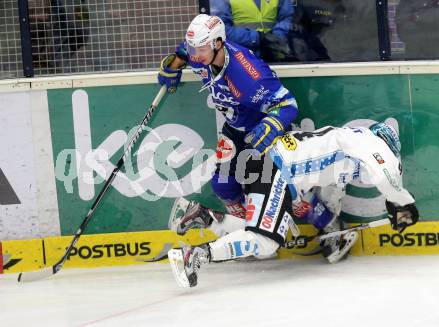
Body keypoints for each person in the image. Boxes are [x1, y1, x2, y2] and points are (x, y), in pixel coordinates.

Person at [168, 122, 419, 287]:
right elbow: (385, 175)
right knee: (265, 242)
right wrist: (404, 204)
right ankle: (196, 254)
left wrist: (312, 210)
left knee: (260, 230)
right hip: (278, 170)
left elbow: (332, 189)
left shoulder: (346, 147)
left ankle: (205, 217)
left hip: (267, 164)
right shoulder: (371, 143)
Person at [158, 14, 299, 220]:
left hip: (263, 132)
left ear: (218, 43)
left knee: (291, 190)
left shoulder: (248, 77)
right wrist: (175, 63)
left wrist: (273, 123)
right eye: (193, 49)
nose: (195, 55)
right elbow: (185, 49)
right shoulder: (202, 51)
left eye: (200, 49)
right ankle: (248, 226)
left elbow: (288, 104)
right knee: (223, 186)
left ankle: (326, 221)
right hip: (235, 129)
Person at [210, 0, 294, 62]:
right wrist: (257, 38)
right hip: (240, 59)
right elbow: (220, 30)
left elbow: (288, 18)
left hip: (274, 55)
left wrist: (276, 36)